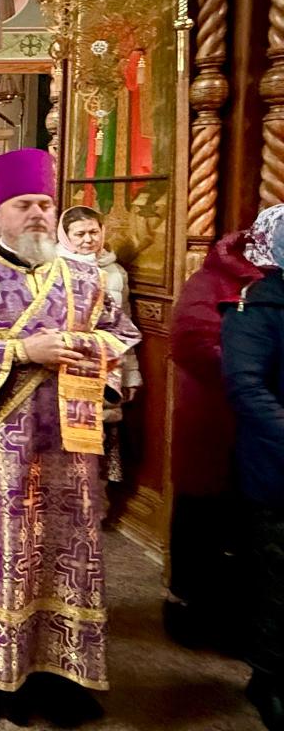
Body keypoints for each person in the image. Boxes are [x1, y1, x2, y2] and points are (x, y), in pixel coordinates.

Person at [0, 148, 139, 726]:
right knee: (1, 552)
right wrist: (24, 350)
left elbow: (121, 335)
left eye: (45, 203)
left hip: (69, 443)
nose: (39, 213)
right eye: (25, 204)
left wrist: (85, 347)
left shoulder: (87, 278)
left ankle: (61, 676)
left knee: (66, 552)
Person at [166, 223, 266, 651]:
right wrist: (254, 373)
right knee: (204, 519)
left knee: (251, 527)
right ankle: (195, 611)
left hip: (264, 432)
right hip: (213, 420)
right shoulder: (211, 280)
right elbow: (192, 342)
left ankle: (247, 618)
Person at [222, 204, 284, 729]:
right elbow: (246, 386)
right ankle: (271, 679)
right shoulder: (257, 307)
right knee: (278, 581)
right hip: (276, 467)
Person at [58, 206, 143, 482]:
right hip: (66, 363)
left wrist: (131, 374)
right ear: (66, 235)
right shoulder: (52, 268)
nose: (88, 239)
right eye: (79, 233)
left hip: (107, 364)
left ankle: (92, 497)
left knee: (99, 437)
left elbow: (125, 325)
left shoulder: (116, 272)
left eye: (93, 232)